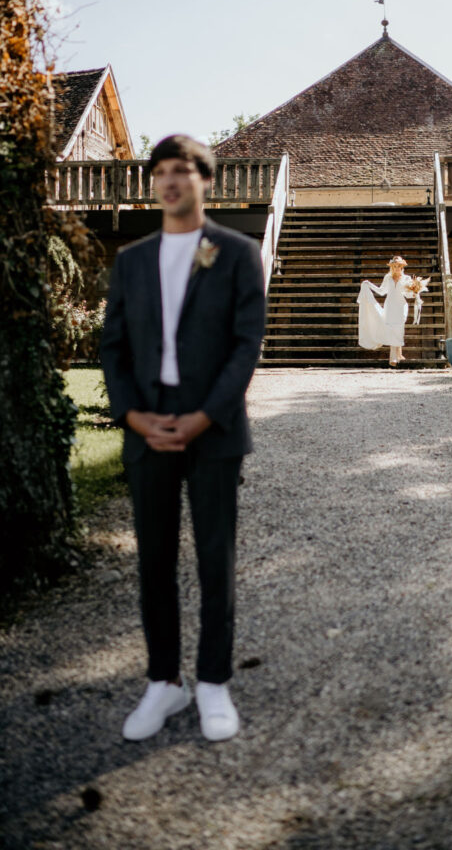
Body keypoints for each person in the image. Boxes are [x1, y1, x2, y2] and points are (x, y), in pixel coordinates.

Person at [100, 134, 265, 742]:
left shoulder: (237, 253)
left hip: (212, 429)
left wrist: (205, 416)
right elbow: (112, 346)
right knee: (154, 561)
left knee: (215, 559)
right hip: (147, 427)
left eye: (183, 171)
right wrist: (133, 416)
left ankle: (213, 683)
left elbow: (247, 343)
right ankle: (163, 683)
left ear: (205, 181)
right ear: (154, 183)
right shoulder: (132, 260)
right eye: (161, 171)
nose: (171, 180)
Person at [357, 255, 415, 365]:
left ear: (402, 267)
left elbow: (408, 295)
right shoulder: (388, 278)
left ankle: (398, 354)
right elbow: (382, 291)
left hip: (401, 305)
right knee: (392, 328)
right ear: (391, 267)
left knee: (398, 327)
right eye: (394, 266)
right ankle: (394, 357)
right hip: (390, 306)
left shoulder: (407, 279)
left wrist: (414, 292)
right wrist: (369, 285)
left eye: (399, 266)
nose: (397, 268)